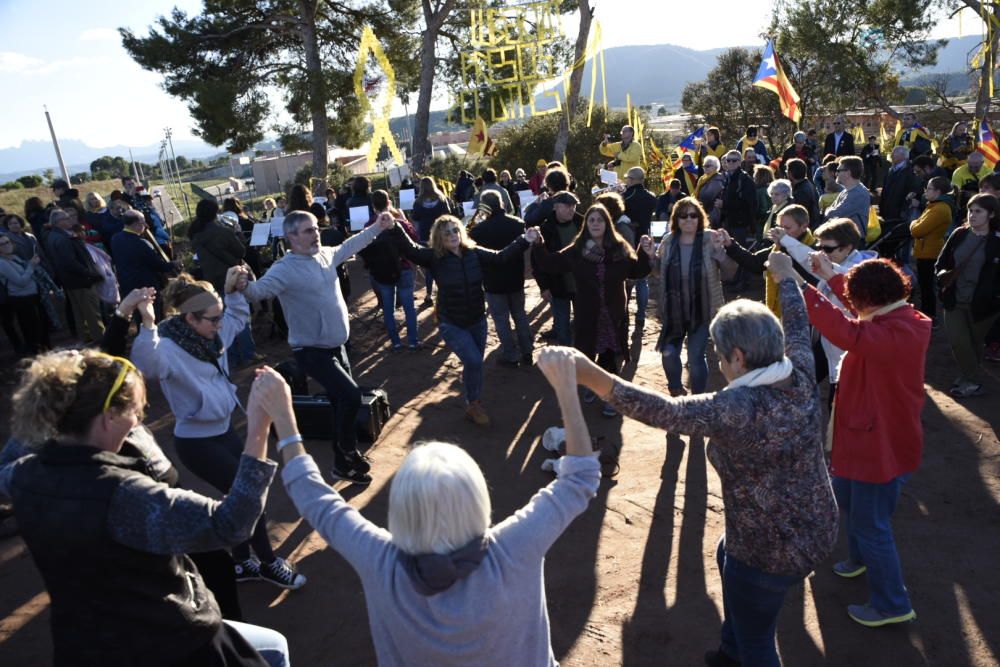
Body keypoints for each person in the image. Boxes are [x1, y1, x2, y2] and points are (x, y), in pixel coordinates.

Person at [568, 257, 838, 666]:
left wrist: (591, 375)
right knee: (726, 554)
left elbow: (665, 411)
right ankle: (731, 650)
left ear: (738, 358)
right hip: (816, 524)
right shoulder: (799, 370)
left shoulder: (737, 407)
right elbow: (798, 324)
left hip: (768, 553)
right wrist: (786, 276)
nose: (718, 362)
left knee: (759, 643)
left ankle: (742, 650)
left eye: (719, 354)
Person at [275, 345, 599, 665]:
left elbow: (316, 500)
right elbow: (580, 479)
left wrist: (283, 416)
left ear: (401, 510)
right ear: (477, 498)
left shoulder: (381, 561)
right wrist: (566, 389)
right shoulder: (514, 547)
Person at [1, 349, 291, 665]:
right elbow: (232, 523)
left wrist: (59, 389)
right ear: (109, 417)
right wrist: (259, 424)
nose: (138, 422)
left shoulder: (20, 476)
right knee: (275, 650)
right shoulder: (124, 494)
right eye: (136, 413)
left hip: (83, 644)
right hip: (169, 644)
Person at [131, 269, 304, 591]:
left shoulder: (213, 336)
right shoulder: (167, 347)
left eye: (219, 316)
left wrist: (231, 291)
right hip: (197, 443)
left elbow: (237, 318)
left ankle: (242, 563)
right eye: (213, 319)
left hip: (225, 433)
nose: (220, 324)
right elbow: (147, 365)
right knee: (249, 496)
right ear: (190, 318)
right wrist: (148, 323)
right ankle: (268, 564)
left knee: (239, 497)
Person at [803, 254, 930, 627]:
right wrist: (831, 274)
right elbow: (858, 312)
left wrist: (800, 289)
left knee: (872, 524)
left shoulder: (894, 332)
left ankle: (892, 604)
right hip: (872, 439)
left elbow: (848, 331)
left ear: (869, 299)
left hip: (879, 446)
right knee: (848, 498)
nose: (852, 304)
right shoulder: (896, 316)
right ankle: (860, 560)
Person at [239, 211, 391, 484]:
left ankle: (342, 466)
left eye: (316, 228)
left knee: (339, 403)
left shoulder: (325, 254)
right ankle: (347, 450)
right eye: (309, 231)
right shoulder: (284, 269)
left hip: (337, 345)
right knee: (351, 396)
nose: (316, 234)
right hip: (310, 350)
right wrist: (243, 285)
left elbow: (351, 245)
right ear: (291, 237)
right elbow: (259, 292)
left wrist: (377, 227)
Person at [397, 215, 532, 425]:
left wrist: (524, 239)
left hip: (477, 319)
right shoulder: (434, 257)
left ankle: (472, 401)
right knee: (474, 361)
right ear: (439, 237)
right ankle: (474, 403)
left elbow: (500, 257)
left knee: (474, 364)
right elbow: (411, 250)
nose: (453, 235)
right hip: (451, 322)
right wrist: (395, 226)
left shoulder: (474, 252)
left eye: (455, 230)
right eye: (447, 232)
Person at [532, 204, 653, 417]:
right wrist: (539, 244)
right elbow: (550, 263)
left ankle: (610, 398)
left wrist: (645, 253)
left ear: (607, 223)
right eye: (591, 220)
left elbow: (636, 271)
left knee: (609, 358)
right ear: (586, 224)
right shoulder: (577, 250)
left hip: (613, 314)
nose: (596, 224)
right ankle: (591, 385)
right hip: (587, 313)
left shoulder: (619, 248)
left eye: (600, 220)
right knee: (586, 356)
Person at [770, 217, 876, 407]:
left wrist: (793, 272)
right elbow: (808, 256)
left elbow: (841, 275)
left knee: (836, 405)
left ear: (847, 248)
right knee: (801, 382)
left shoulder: (862, 275)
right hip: (825, 341)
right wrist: (785, 239)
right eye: (819, 247)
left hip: (847, 353)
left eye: (827, 249)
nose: (821, 254)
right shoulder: (834, 260)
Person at [654, 198, 734, 396]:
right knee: (669, 354)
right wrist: (649, 256)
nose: (688, 219)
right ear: (676, 219)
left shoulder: (710, 239)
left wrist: (720, 252)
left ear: (700, 218)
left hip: (702, 309)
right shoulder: (668, 241)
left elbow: (730, 273)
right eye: (683, 216)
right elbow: (658, 271)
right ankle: (675, 389)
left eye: (693, 215)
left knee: (695, 357)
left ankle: (697, 398)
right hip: (674, 310)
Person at [936, 192, 1000, 397]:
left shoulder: (996, 241)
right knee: (958, 341)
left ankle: (967, 378)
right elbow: (941, 262)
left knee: (974, 344)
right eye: (970, 211)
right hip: (954, 299)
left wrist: (995, 298)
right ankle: (972, 381)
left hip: (984, 306)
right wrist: (942, 276)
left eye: (978, 211)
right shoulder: (959, 234)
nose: (972, 215)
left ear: (991, 214)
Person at [468, 191, 534, 367]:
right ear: (502, 203)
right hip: (515, 277)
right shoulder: (518, 224)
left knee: (501, 320)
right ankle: (527, 350)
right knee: (520, 315)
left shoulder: (478, 230)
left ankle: (510, 355)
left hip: (493, 281)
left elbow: (469, 243)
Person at [722, 205, 817, 318]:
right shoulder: (778, 247)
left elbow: (807, 274)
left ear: (804, 226)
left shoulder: (814, 250)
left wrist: (785, 245)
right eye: (780, 227)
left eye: (787, 228)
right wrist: (730, 244)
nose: (781, 232)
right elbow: (755, 262)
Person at [359, 190, 421, 350]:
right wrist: (404, 220)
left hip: (381, 272)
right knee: (408, 306)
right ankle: (413, 340)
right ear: (389, 203)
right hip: (403, 267)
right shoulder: (399, 222)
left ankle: (396, 342)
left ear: (373, 207)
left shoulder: (369, 226)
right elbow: (415, 239)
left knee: (388, 307)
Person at [44, 208, 105, 342]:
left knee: (80, 313)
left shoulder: (53, 236)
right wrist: (90, 274)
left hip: (71, 282)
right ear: (59, 222)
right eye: (66, 218)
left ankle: (86, 338)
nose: (70, 220)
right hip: (81, 281)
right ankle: (101, 340)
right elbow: (70, 262)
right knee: (92, 313)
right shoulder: (62, 238)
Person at [531, 191, 583, 345]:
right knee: (562, 324)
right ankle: (565, 353)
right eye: (567, 206)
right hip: (557, 285)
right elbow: (537, 262)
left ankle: (583, 353)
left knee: (584, 322)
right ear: (555, 207)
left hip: (582, 284)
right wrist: (544, 286)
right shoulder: (545, 229)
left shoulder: (583, 223)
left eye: (573, 206)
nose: (571, 210)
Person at [909, 176, 954, 321]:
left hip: (929, 253)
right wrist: (916, 223)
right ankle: (927, 315)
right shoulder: (934, 206)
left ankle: (930, 317)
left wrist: (913, 223)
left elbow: (917, 230)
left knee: (927, 287)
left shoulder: (940, 209)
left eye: (929, 188)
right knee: (925, 286)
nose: (925, 191)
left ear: (938, 191)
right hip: (925, 250)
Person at [111, 209, 178, 301]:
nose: (146, 225)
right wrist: (174, 264)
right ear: (136, 224)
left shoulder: (115, 239)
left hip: (127, 287)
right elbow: (159, 266)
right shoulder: (141, 243)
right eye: (143, 222)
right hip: (146, 288)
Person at [0, 235, 49, 355]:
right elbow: (20, 281)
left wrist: (32, 264)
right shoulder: (2, 263)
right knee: (33, 331)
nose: (6, 245)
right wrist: (31, 265)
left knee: (42, 328)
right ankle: (39, 356)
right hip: (22, 300)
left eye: (8, 242)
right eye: (2, 244)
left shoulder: (15, 257)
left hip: (33, 296)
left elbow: (27, 273)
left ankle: (46, 352)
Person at [189, 199, 246, 298]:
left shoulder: (195, 234)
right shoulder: (224, 232)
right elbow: (241, 252)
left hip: (211, 279)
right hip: (231, 277)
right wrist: (238, 233)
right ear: (215, 213)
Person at [623, 166, 657, 328]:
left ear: (632, 179)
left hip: (628, 241)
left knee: (627, 279)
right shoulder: (651, 197)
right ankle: (641, 315)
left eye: (628, 178)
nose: (626, 181)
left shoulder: (626, 196)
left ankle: (624, 312)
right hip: (645, 240)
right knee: (643, 280)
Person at [410, 177, 451, 307]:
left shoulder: (418, 202)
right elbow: (448, 214)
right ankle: (445, 293)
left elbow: (415, 217)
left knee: (429, 266)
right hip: (441, 234)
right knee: (444, 263)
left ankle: (428, 294)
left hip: (425, 235)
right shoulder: (442, 199)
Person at [825, 156, 871, 239]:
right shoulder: (846, 191)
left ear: (848, 173)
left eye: (838, 170)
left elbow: (832, 214)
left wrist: (828, 210)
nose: (836, 174)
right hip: (845, 240)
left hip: (853, 243)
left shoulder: (858, 194)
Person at [720, 150, 758, 245]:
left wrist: (724, 204)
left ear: (740, 162)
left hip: (741, 224)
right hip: (729, 221)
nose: (731, 162)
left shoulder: (744, 179)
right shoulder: (728, 178)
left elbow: (748, 203)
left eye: (734, 160)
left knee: (739, 250)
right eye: (728, 160)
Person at [880, 146, 920, 227]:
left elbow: (912, 192)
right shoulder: (891, 170)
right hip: (886, 210)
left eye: (894, 153)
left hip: (899, 213)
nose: (891, 156)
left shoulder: (911, 172)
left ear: (903, 156)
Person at [786, 158, 820, 227]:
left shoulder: (801, 191)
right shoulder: (808, 185)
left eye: (787, 171)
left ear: (790, 173)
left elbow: (797, 215)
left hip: (805, 228)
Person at [694, 155, 725, 228]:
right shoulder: (703, 179)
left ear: (716, 167)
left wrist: (695, 205)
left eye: (708, 166)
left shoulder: (717, 179)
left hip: (713, 216)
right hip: (705, 213)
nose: (705, 168)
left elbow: (707, 197)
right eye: (704, 166)